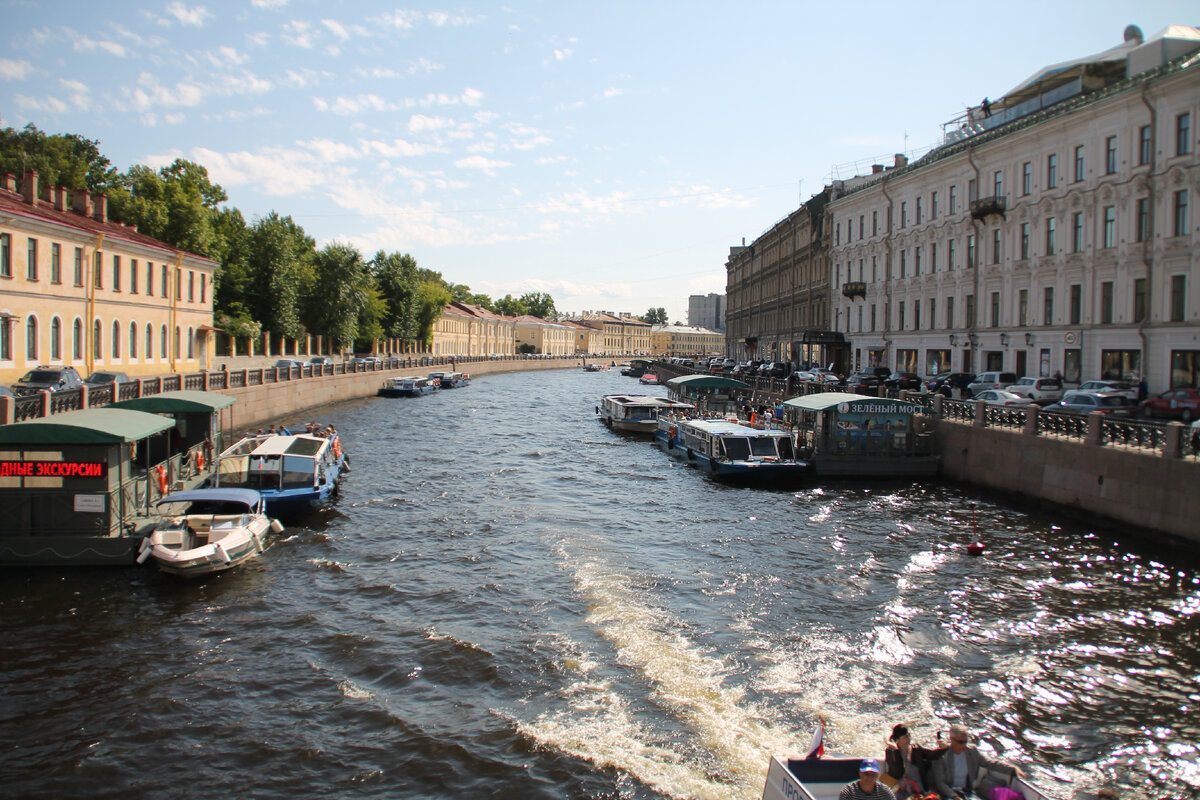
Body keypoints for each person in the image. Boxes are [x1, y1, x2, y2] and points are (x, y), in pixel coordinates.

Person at [930, 724, 1024, 799]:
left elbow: (990, 763)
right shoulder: (942, 755)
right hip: (949, 794)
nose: (964, 745)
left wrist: (1012, 769)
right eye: (961, 742)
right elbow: (940, 783)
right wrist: (955, 797)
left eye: (965, 742)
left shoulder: (972, 751)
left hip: (967, 792)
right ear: (952, 740)